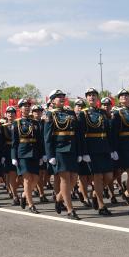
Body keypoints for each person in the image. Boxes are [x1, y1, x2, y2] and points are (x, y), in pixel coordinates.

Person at [44, 89, 81, 220]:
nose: (61, 98)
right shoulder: (50, 114)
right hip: (59, 150)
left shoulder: (70, 113)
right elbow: (47, 138)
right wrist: (50, 156)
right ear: (53, 100)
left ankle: (59, 198)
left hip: (72, 149)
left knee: (74, 178)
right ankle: (70, 210)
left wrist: (80, 151)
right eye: (58, 97)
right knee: (65, 179)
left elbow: (77, 134)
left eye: (62, 96)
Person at [78, 87, 113, 215]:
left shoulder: (103, 112)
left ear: (97, 98)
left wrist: (112, 148)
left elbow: (108, 131)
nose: (91, 97)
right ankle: (101, 205)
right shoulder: (83, 113)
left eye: (94, 95)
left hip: (104, 147)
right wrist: (84, 152)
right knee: (97, 177)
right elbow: (81, 135)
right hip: (92, 149)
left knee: (109, 176)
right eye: (89, 95)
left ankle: (95, 193)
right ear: (86, 99)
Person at [12, 99, 44, 213]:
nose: (26, 108)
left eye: (27, 106)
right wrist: (13, 157)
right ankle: (31, 205)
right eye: (24, 106)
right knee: (27, 179)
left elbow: (40, 141)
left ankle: (25, 194)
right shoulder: (16, 123)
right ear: (20, 109)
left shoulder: (35, 123)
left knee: (35, 178)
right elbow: (14, 142)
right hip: (22, 153)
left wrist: (42, 155)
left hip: (34, 153)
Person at [74, 98, 92, 207]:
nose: (80, 107)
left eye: (82, 106)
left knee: (91, 176)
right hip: (77, 149)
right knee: (83, 175)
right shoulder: (71, 118)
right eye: (77, 106)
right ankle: (85, 197)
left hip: (89, 147)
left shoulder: (87, 116)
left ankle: (81, 191)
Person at [1, 106, 20, 205]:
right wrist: (3, 155)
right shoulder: (3, 126)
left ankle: (14, 191)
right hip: (8, 151)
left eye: (12, 112)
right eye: (8, 112)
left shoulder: (19, 124)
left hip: (19, 150)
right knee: (12, 174)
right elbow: (1, 142)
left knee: (20, 175)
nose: (10, 114)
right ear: (6, 114)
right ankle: (15, 195)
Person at [31, 104, 49, 203]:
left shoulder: (44, 122)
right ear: (32, 113)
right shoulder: (31, 123)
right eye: (35, 111)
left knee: (46, 172)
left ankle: (40, 190)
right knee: (39, 173)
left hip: (46, 149)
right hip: (37, 149)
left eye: (39, 111)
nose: (38, 113)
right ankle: (41, 193)